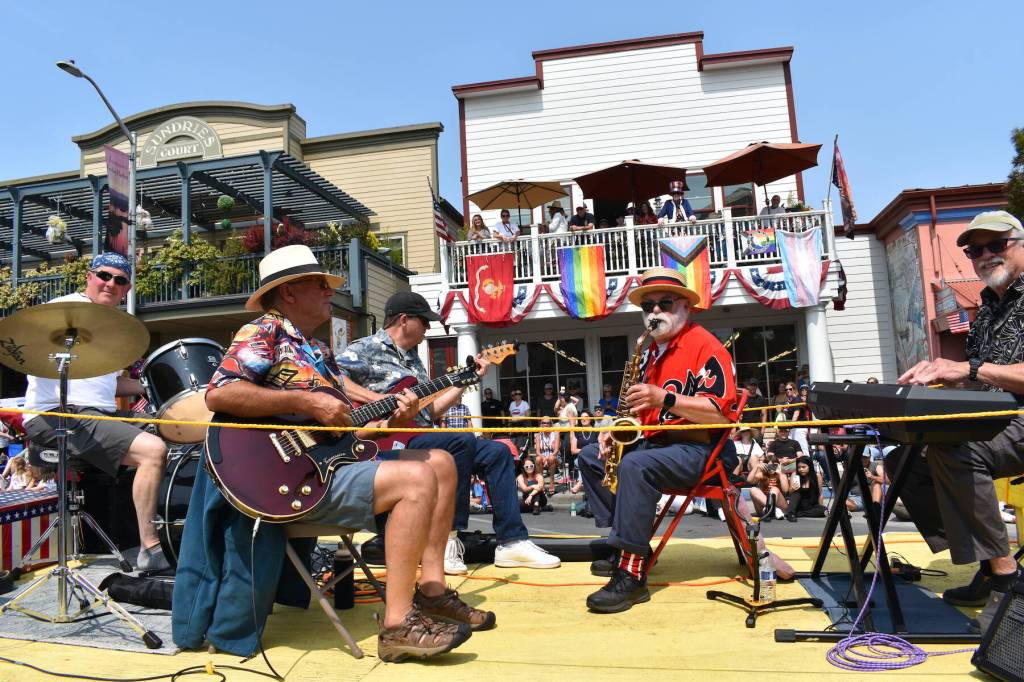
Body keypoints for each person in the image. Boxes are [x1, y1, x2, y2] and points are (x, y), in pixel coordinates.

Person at [184, 245, 481, 660]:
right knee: (416, 478)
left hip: (327, 464)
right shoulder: (264, 331)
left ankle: (431, 591)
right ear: (288, 293)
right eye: (320, 284)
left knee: (442, 462)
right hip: (286, 478)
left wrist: (395, 416)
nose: (330, 291)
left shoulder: (318, 351)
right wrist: (307, 403)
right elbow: (220, 393)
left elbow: (354, 427)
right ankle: (397, 624)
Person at [339, 292, 559, 576]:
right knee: (460, 440)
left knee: (498, 451)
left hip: (418, 434)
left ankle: (512, 541)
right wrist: (378, 401)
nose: (428, 328)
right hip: (383, 439)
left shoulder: (413, 361)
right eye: (424, 322)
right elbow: (333, 379)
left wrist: (468, 379)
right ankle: (445, 540)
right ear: (404, 320)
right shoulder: (366, 348)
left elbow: (430, 412)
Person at [576, 267, 739, 613]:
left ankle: (631, 577)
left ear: (686, 307)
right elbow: (643, 413)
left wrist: (663, 398)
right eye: (647, 306)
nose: (654, 312)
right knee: (592, 456)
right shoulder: (652, 352)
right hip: (661, 444)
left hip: (702, 449)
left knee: (635, 464)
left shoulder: (706, 347)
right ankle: (628, 545)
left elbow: (720, 414)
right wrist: (614, 428)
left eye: (664, 303)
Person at [897, 210, 1024, 632]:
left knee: (957, 447)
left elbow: (979, 371)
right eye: (974, 250)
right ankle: (988, 564)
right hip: (994, 419)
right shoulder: (987, 308)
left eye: (996, 245)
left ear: (1020, 244)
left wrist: (968, 369)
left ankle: (1007, 580)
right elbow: (976, 377)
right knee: (905, 458)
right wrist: (928, 381)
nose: (985, 255)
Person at [21, 252, 169, 571]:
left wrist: (152, 385)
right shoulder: (65, 313)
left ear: (127, 289)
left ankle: (179, 529)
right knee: (152, 449)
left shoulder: (111, 329)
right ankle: (150, 547)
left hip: (97, 415)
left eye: (120, 280)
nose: (110, 284)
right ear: (89, 276)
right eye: (104, 275)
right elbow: (31, 353)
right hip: (56, 416)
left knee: (172, 431)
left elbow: (109, 387)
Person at [747, 449, 790, 519]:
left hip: (780, 505)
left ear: (778, 465)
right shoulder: (763, 474)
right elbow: (749, 481)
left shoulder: (781, 474)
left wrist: (780, 473)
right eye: (769, 466)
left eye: (774, 466)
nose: (772, 469)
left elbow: (785, 490)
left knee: (774, 489)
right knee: (753, 489)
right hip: (764, 506)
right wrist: (756, 467)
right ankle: (772, 509)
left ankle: (772, 509)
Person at [785, 456, 826, 520]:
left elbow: (820, 494)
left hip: (811, 505)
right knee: (796, 493)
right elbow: (790, 492)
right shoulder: (795, 474)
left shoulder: (817, 476)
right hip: (798, 503)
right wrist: (793, 489)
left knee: (824, 510)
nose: (801, 469)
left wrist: (820, 506)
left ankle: (797, 513)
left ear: (809, 466)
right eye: (799, 467)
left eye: (803, 467)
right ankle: (791, 513)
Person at [533, 417, 560, 496]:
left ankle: (552, 483)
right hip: (543, 456)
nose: (545, 424)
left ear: (551, 424)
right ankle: (542, 483)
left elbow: (556, 451)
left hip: (555, 457)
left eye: (548, 423)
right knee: (538, 459)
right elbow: (537, 451)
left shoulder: (555, 433)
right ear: (541, 424)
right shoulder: (538, 435)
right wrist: (544, 458)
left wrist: (547, 458)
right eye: (543, 423)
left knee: (551, 458)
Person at [506, 388, 532, 454]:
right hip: (513, 426)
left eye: (519, 394)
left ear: (522, 395)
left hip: (522, 426)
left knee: (521, 445)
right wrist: (509, 426)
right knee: (513, 444)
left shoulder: (525, 403)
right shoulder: (512, 404)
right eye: (516, 394)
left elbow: (528, 416)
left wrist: (518, 418)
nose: (517, 395)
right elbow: (510, 415)